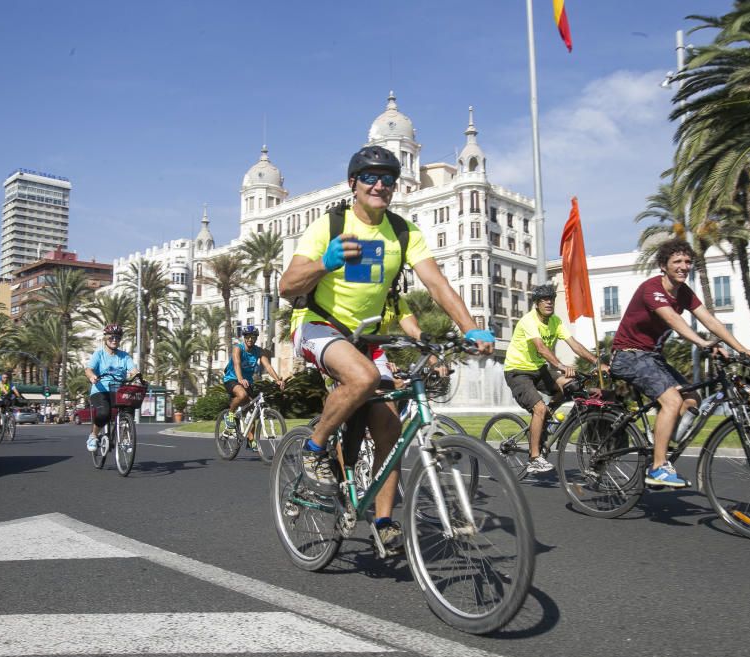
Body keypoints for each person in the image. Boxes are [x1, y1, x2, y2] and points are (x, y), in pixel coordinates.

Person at [278, 144, 494, 554]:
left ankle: (383, 519)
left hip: (367, 337)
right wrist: (326, 261)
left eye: (388, 179)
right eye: (370, 178)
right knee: (362, 377)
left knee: (390, 429)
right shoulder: (329, 225)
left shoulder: (402, 231)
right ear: (353, 184)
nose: (380, 185)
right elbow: (287, 286)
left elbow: (437, 283)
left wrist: (471, 327)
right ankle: (313, 448)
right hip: (317, 325)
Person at [610, 239, 750, 488]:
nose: (684, 266)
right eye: (677, 261)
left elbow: (711, 322)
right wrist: (702, 343)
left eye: (688, 261)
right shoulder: (652, 289)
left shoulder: (684, 293)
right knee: (672, 400)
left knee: (693, 399)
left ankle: (662, 447)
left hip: (653, 357)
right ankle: (658, 467)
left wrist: (741, 348)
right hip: (629, 355)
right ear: (663, 265)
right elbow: (673, 321)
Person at [503, 282, 608, 474]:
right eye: (543, 300)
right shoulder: (529, 321)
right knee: (539, 408)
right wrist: (560, 365)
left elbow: (574, 344)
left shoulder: (556, 322)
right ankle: (534, 458)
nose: (548, 303)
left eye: (551, 299)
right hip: (517, 371)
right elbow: (541, 348)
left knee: (572, 385)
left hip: (538, 370)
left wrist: (596, 362)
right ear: (536, 303)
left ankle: (547, 417)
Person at [84, 323, 139, 452]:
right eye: (111, 338)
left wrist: (137, 377)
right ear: (105, 339)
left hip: (118, 391)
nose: (114, 340)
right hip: (100, 390)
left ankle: (125, 438)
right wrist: (92, 376)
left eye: (117, 338)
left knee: (129, 409)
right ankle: (93, 435)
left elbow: (133, 370)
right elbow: (89, 369)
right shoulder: (99, 355)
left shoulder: (124, 356)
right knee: (104, 413)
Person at [222, 325, 285, 429]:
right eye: (247, 336)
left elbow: (268, 366)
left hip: (247, 382)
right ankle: (230, 415)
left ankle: (251, 444)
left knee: (252, 412)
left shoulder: (259, 351)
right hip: (232, 379)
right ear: (244, 337)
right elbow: (237, 364)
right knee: (242, 395)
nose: (250, 339)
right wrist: (240, 379)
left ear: (256, 338)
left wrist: (278, 380)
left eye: (253, 337)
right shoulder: (238, 348)